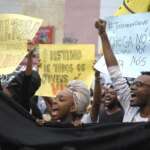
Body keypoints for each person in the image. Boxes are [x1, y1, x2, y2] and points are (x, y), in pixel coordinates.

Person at [95, 19, 150, 122]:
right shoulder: (130, 107)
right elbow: (114, 72)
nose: (132, 87)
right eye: (133, 84)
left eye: (139, 85)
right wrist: (103, 35)